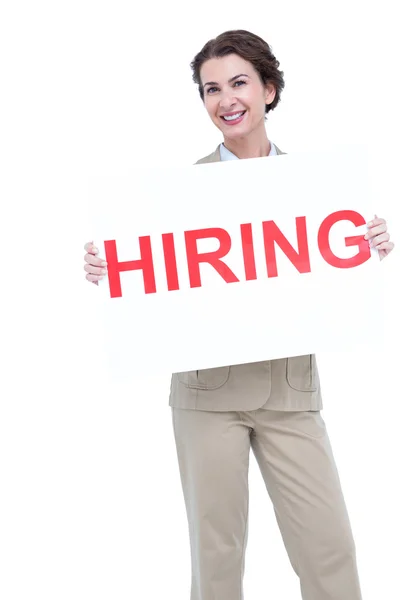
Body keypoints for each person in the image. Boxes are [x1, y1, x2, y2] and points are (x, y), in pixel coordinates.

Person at [83, 29, 394, 600]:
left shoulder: (324, 191)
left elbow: (334, 278)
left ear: (269, 90)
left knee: (331, 549)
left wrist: (369, 246)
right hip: (207, 397)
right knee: (217, 555)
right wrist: (113, 269)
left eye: (238, 83)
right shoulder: (174, 196)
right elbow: (153, 286)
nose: (225, 98)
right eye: (210, 89)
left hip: (289, 392)